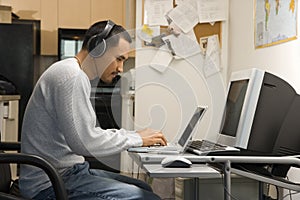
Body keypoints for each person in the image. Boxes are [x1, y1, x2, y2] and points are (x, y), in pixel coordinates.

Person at [19, 20, 167, 200]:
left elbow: (88, 134)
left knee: (142, 186)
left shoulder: (73, 73)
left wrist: (134, 135)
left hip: (69, 172)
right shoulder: (71, 77)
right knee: (145, 198)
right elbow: (84, 142)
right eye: (119, 59)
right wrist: (136, 139)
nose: (120, 69)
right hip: (50, 183)